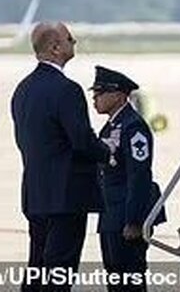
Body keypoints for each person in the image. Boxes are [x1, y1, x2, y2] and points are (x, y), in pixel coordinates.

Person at [11, 22, 111, 292]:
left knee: (37, 269)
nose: (74, 42)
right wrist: (109, 153)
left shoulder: (23, 89)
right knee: (59, 272)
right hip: (67, 196)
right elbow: (81, 140)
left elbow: (23, 141)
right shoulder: (67, 89)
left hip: (36, 193)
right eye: (70, 39)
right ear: (55, 47)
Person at [90, 66, 166, 292]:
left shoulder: (133, 127)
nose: (95, 98)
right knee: (115, 277)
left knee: (130, 277)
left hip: (125, 214)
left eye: (100, 92)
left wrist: (133, 220)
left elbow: (139, 175)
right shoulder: (111, 127)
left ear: (119, 95)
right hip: (110, 213)